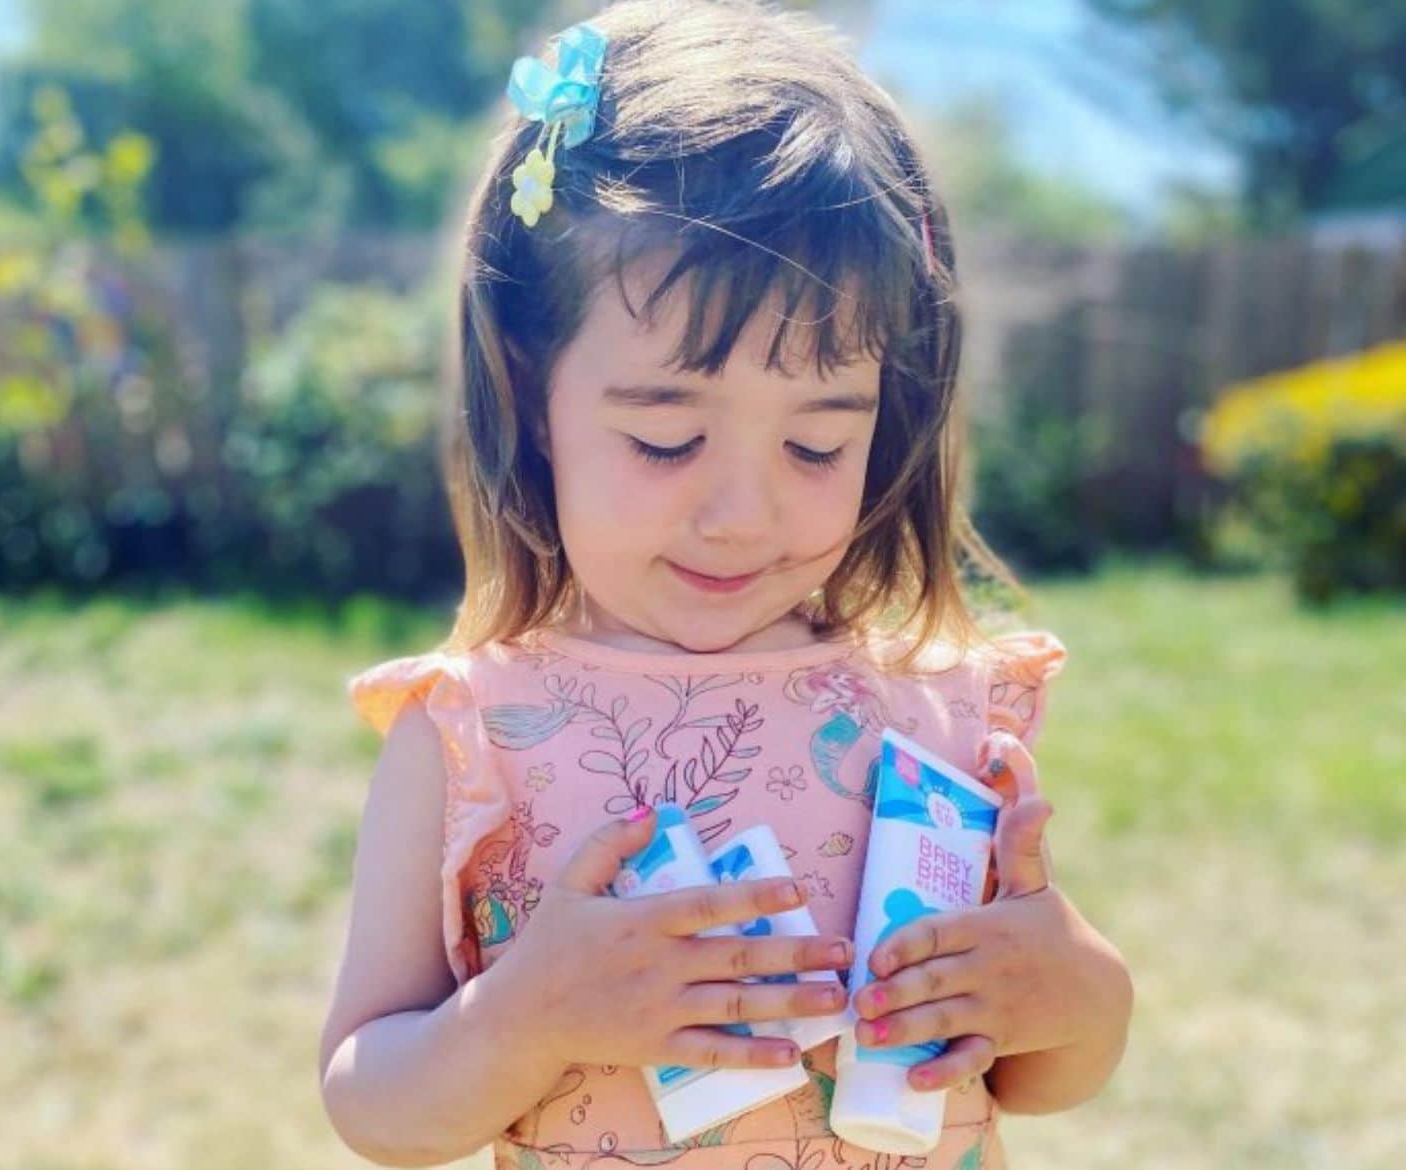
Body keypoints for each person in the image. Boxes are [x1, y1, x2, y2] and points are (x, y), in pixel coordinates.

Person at [318, 3, 1133, 1167]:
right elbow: (369, 1100)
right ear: (528, 388)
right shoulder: (471, 737)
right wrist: (522, 1018)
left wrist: (1069, 989)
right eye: (664, 439)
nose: (742, 514)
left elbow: (1045, 1072)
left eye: (816, 447)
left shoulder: (944, 717)